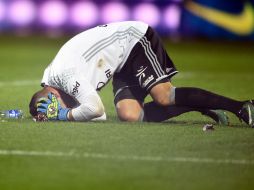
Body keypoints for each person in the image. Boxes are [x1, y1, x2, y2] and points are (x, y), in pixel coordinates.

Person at [29, 21, 254, 127]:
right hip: (119, 61)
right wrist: (65, 113)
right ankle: (200, 105)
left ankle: (241, 106)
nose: (59, 108)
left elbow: (95, 109)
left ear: (53, 95)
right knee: (130, 115)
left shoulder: (66, 76)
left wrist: (63, 116)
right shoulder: (54, 81)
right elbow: (100, 117)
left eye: (54, 106)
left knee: (164, 95)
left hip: (134, 40)